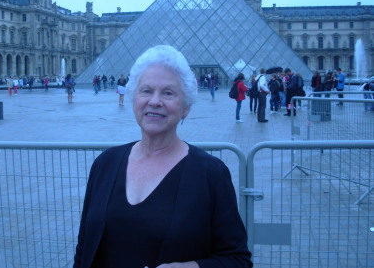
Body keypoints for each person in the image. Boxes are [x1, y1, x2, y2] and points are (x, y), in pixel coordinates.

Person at [73, 45, 252, 268]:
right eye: (146, 90)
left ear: (185, 107)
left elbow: (238, 259)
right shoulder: (105, 163)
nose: (155, 101)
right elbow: (84, 248)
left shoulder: (210, 173)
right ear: (134, 99)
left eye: (168, 93)